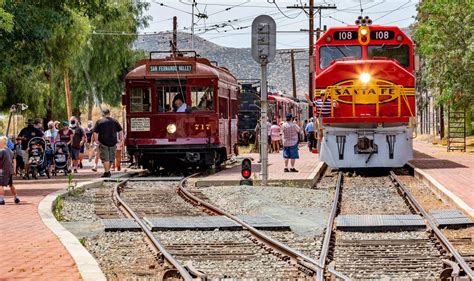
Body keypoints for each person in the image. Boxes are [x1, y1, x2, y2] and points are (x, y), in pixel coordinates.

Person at [92, 108, 123, 177]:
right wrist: (120, 139)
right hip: (113, 142)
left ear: (103, 114)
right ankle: (107, 171)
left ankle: (107, 172)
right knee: (111, 158)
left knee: (105, 158)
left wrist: (96, 140)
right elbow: (120, 130)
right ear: (109, 113)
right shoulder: (115, 121)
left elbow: (94, 132)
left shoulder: (99, 121)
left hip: (103, 142)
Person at [0, 136, 20, 205]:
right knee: (11, 184)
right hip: (10, 170)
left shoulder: (1, 151)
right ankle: (16, 197)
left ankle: (1, 199)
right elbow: (14, 160)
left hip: (3, 170)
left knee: (0, 185)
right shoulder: (10, 151)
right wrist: (14, 169)